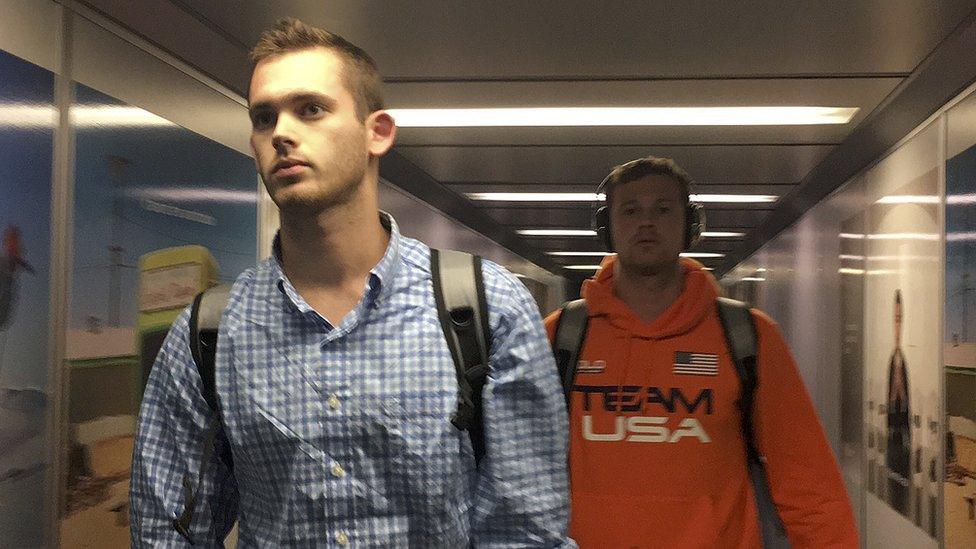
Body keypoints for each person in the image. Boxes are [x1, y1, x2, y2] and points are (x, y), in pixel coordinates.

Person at [130, 18, 572, 547]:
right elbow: (168, 532)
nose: (282, 134)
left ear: (376, 132)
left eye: (311, 109)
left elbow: (524, 532)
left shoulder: (486, 309)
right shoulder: (210, 334)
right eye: (264, 117)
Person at [544, 156, 858, 548]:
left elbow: (806, 478)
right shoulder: (563, 335)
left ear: (690, 225)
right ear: (607, 227)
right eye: (630, 210)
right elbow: (519, 471)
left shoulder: (747, 336)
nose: (646, 222)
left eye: (662, 209)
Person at [886, 289, 911, 515]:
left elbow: (907, 404)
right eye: (895, 319)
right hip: (891, 443)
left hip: (904, 442)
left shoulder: (903, 363)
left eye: (900, 319)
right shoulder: (891, 362)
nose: (898, 326)